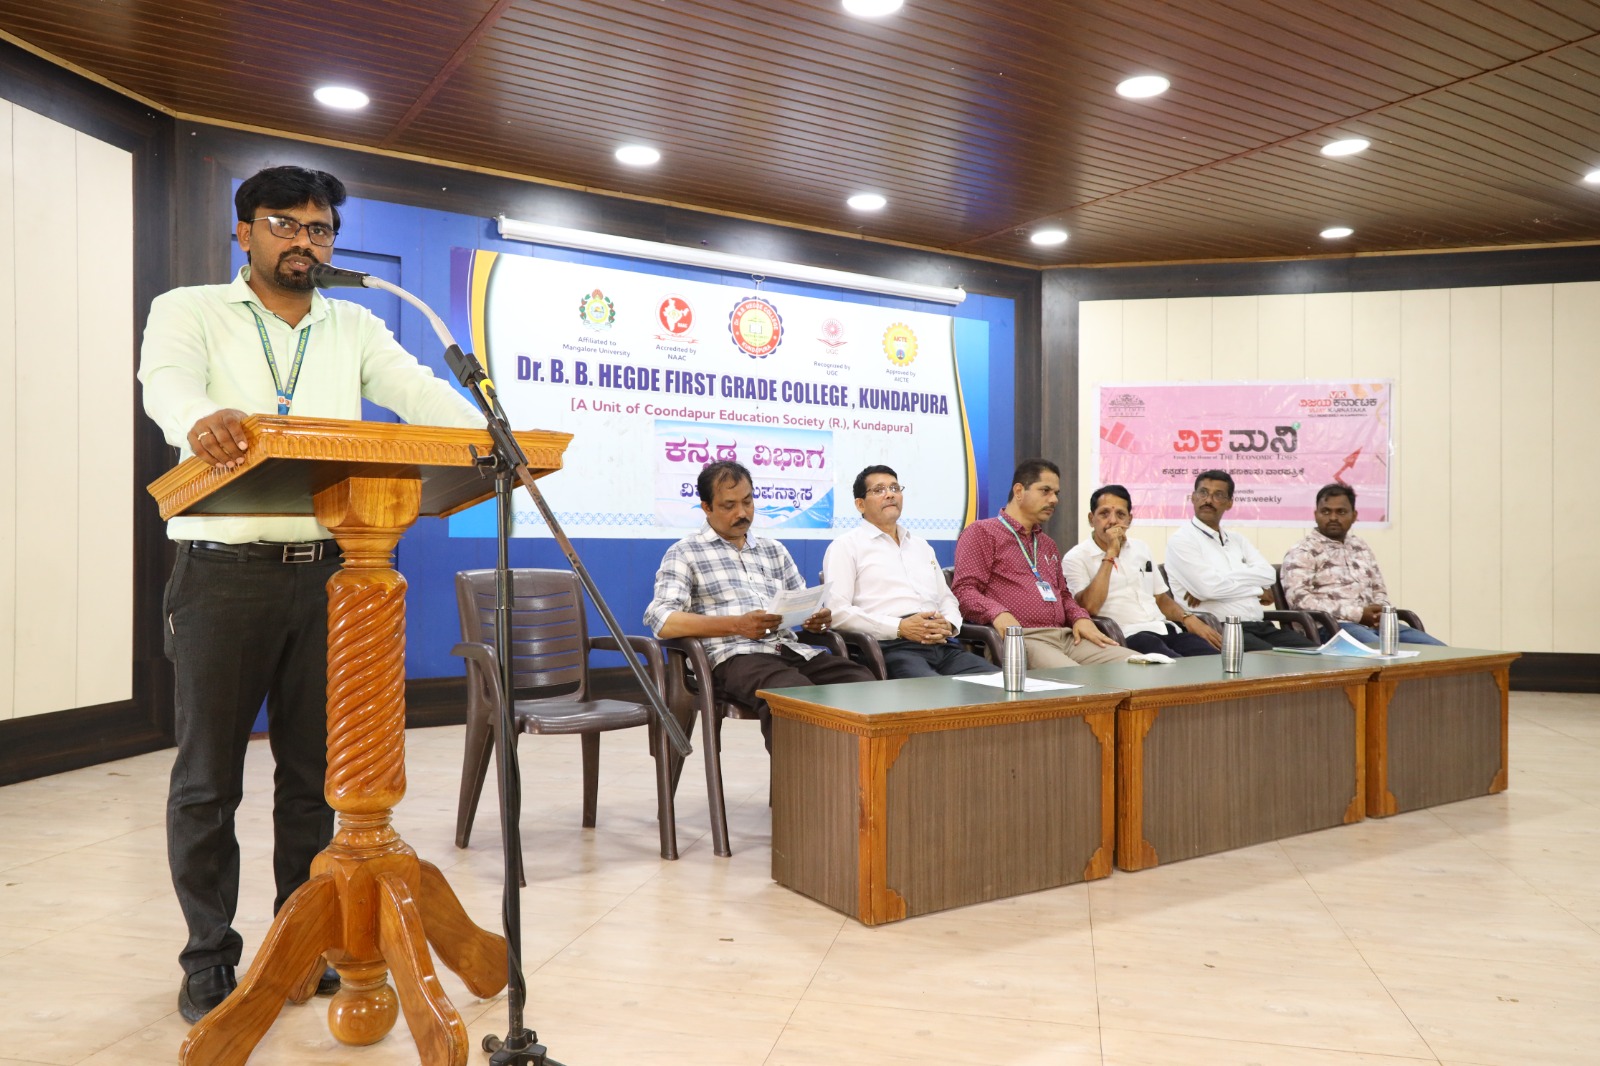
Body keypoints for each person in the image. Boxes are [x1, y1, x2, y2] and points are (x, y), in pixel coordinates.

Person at [138, 166, 483, 1024]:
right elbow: (168, 383)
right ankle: (209, 958)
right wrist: (198, 420)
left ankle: (306, 939)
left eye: (319, 228)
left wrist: (491, 437)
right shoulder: (191, 309)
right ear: (244, 233)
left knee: (315, 779)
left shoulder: (353, 322)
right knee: (207, 781)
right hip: (222, 575)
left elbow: (416, 391)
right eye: (283, 224)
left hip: (334, 574)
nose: (304, 241)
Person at [644, 460, 874, 749]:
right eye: (729, 505)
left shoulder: (773, 550)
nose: (742, 513)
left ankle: (858, 773)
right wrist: (736, 625)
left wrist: (816, 618)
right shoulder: (685, 553)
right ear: (706, 507)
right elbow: (662, 620)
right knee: (793, 696)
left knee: (863, 684)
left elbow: (802, 602)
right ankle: (798, 779)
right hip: (735, 657)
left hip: (790, 651)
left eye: (747, 501)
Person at [952, 458, 1134, 669]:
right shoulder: (982, 533)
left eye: (1056, 493)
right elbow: (964, 591)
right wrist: (997, 613)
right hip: (1024, 638)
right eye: (1045, 491)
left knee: (1141, 665)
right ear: (1019, 491)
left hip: (1067, 637)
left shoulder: (1047, 544)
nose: (1054, 499)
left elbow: (1063, 595)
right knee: (1078, 678)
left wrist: (1080, 617)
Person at [823, 465, 998, 678]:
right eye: (879, 490)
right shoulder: (846, 546)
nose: (890, 494)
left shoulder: (921, 546)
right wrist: (899, 627)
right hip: (890, 648)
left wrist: (949, 624)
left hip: (941, 645)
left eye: (895, 488)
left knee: (1002, 685)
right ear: (860, 504)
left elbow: (946, 598)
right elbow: (837, 612)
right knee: (935, 690)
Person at [1163, 470, 1316, 651]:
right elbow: (1209, 589)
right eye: (1203, 493)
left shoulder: (1238, 540)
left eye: (1218, 495)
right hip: (1220, 628)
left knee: (1317, 655)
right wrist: (1258, 590)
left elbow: (1268, 575)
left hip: (1260, 625)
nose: (1208, 500)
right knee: (1270, 659)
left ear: (1229, 503)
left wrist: (1220, 580)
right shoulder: (1182, 540)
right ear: (1193, 497)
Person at [1063, 484, 1221, 657]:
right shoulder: (1076, 557)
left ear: (1129, 520)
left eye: (1120, 515)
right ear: (1091, 518)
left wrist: (1187, 617)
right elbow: (1088, 608)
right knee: (1172, 664)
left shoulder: (1141, 548)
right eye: (1104, 514)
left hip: (1165, 628)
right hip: (1128, 635)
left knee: (1211, 659)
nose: (1113, 521)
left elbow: (1160, 598)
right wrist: (1111, 553)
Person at [1280, 483, 1446, 646]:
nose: (1333, 518)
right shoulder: (1303, 551)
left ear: (1354, 515)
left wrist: (1379, 613)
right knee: (1379, 651)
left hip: (1375, 626)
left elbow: (1378, 590)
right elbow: (1300, 600)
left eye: (1341, 512)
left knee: (1438, 650)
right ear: (1316, 515)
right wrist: (1358, 615)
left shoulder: (1360, 547)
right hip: (1330, 628)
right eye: (1326, 511)